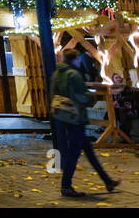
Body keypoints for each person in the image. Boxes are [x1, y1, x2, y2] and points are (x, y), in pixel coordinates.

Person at [50, 50, 119, 198]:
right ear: (75, 59)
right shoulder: (74, 75)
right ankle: (66, 186)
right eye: (79, 59)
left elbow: (53, 94)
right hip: (75, 117)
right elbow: (79, 96)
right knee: (74, 153)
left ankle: (107, 181)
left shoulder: (56, 74)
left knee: (88, 150)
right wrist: (90, 95)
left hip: (63, 116)